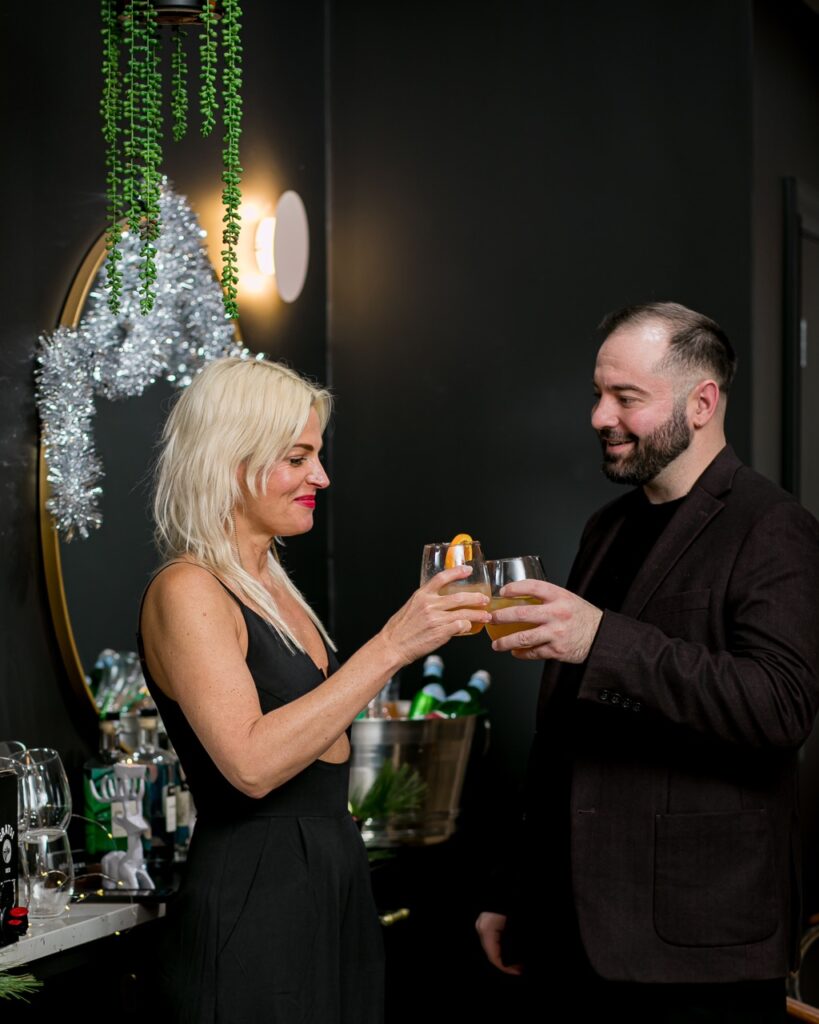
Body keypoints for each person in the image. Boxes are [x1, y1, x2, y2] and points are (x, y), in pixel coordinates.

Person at [475, 301, 819, 1022]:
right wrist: (516, 890)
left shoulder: (773, 526)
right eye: (598, 394)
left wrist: (603, 639)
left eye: (626, 398)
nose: (600, 416)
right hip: (569, 928)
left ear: (700, 404)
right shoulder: (607, 526)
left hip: (697, 942)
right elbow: (562, 730)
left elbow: (780, 707)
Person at [137, 356, 490, 1023]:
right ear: (231, 460)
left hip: (329, 881)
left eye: (316, 456)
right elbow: (249, 766)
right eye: (298, 458)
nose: (320, 478)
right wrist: (392, 646)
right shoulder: (188, 590)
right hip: (256, 897)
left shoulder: (271, 584)